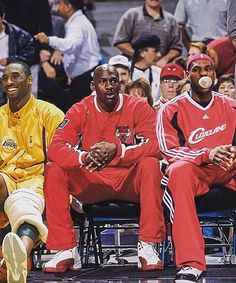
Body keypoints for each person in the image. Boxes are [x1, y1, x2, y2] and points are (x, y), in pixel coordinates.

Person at [43, 64, 166, 273]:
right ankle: (66, 249)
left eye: (113, 81)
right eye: (103, 82)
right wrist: (85, 156)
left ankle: (147, 245)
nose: (109, 86)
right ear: (93, 85)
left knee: (150, 163)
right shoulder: (80, 109)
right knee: (54, 169)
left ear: (120, 84)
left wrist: (119, 150)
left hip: (128, 180)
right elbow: (56, 148)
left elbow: (156, 145)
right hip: (93, 180)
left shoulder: (137, 106)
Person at [156, 54, 236, 282]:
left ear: (215, 74)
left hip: (229, 167)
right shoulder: (171, 109)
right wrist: (206, 154)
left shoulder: (231, 105)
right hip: (196, 171)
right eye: (196, 70)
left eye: (208, 69)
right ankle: (191, 263)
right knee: (177, 172)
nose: (203, 74)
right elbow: (168, 151)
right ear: (187, 75)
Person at [0, 61, 64, 283]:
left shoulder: (50, 114)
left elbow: (63, 156)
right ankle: (11, 257)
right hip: (7, 179)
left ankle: (18, 254)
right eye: (5, 78)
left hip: (39, 179)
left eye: (15, 76)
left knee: (25, 203)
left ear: (29, 80)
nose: (9, 82)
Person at [35, 0, 101, 107]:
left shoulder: (77, 24)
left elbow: (71, 44)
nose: (57, 7)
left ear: (68, 6)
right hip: (83, 74)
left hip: (85, 77)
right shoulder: (78, 21)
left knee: (74, 109)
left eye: (60, 3)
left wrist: (49, 40)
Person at [2, 0, 53, 97]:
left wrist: (44, 47)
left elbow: (44, 19)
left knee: (28, 95)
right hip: (5, 47)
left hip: (30, 51)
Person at [113, 0, 182, 67]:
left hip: (160, 68)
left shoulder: (171, 20)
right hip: (133, 66)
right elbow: (120, 42)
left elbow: (176, 47)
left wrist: (165, 59)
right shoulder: (132, 15)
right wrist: (139, 56)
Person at [0, 0, 35, 106]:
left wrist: (9, 61)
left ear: (2, 17)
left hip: (12, 81)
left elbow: (29, 57)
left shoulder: (20, 35)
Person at [130, 34, 162, 103]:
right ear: (142, 52)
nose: (159, 55)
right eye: (155, 51)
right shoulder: (126, 71)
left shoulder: (159, 73)